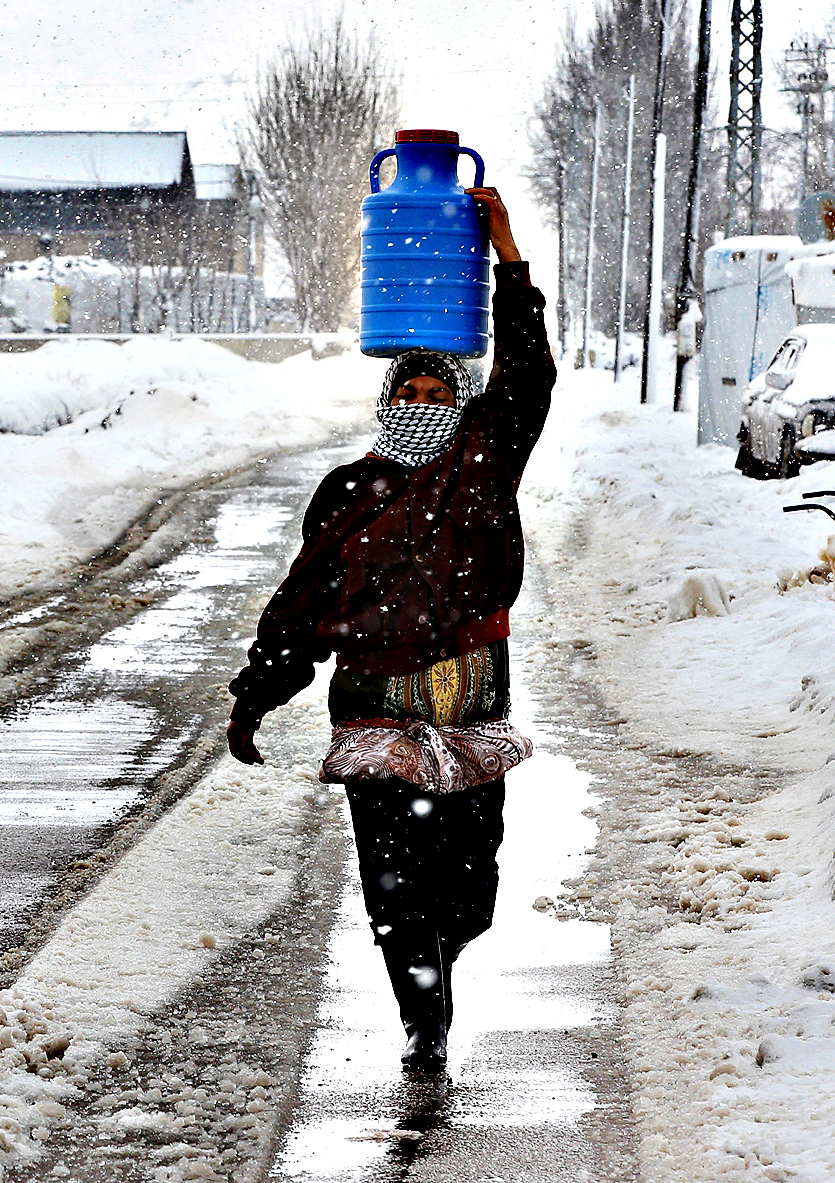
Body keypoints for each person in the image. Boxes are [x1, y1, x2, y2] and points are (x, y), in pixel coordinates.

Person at [225, 186, 554, 1072]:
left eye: (437, 388)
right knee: (394, 881)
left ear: (461, 400)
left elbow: (528, 376)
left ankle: (438, 961)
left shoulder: (485, 457)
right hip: (372, 707)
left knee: (469, 890)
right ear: (386, 399)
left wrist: (508, 257)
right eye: (407, 388)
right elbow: (302, 604)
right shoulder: (348, 489)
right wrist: (258, 692)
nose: (421, 399)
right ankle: (424, 1020)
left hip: (471, 703)